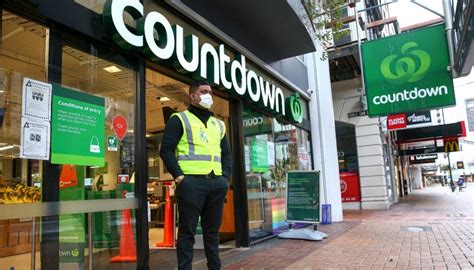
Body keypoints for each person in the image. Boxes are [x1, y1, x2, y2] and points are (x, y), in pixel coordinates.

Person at [159, 80, 232, 270]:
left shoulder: (219, 125)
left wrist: (226, 179)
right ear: (192, 96)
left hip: (217, 183)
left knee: (212, 234)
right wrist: (180, 177)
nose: (209, 95)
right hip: (191, 184)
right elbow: (165, 150)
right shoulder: (179, 119)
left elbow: (227, 154)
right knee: (187, 233)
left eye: (210, 92)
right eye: (204, 91)